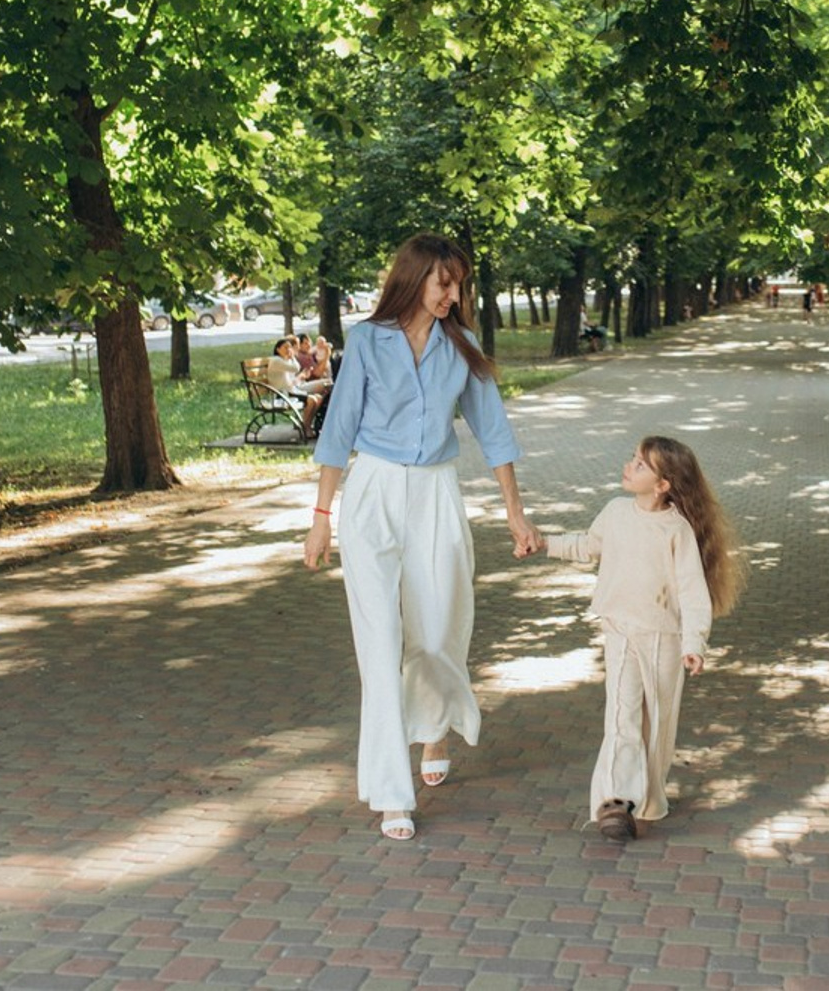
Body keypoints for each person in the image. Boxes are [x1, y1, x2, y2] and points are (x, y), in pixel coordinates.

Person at [302, 233, 541, 842]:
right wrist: (321, 516)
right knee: (379, 648)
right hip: (373, 494)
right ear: (414, 280)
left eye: (459, 284)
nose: (453, 294)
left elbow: (494, 432)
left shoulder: (461, 347)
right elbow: (339, 432)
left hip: (436, 493)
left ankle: (434, 724)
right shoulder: (365, 342)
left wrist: (515, 513)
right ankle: (391, 794)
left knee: (437, 633)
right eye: (444, 283)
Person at [538, 436, 746, 843]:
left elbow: (691, 591)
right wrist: (544, 543)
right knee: (621, 713)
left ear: (663, 484)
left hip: (663, 639)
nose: (629, 466)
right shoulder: (615, 512)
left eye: (640, 464)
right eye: (632, 458)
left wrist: (694, 643)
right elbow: (586, 545)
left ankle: (649, 798)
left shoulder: (677, 530)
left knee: (658, 723)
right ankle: (615, 801)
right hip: (619, 630)